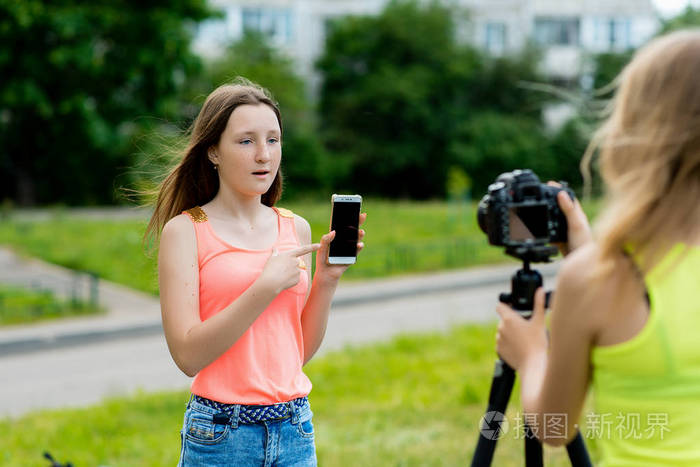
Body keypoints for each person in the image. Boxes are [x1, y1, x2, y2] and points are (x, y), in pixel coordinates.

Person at [494, 29, 700, 465]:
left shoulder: (596, 278)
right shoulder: (596, 271)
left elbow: (553, 427)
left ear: (633, 132)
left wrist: (531, 354)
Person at [145, 79, 366, 466]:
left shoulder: (293, 227)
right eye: (246, 141)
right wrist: (263, 287)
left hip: (295, 429)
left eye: (273, 140)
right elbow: (187, 356)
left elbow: (294, 354)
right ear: (213, 150)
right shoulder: (186, 231)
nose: (263, 155)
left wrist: (327, 281)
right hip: (219, 434)